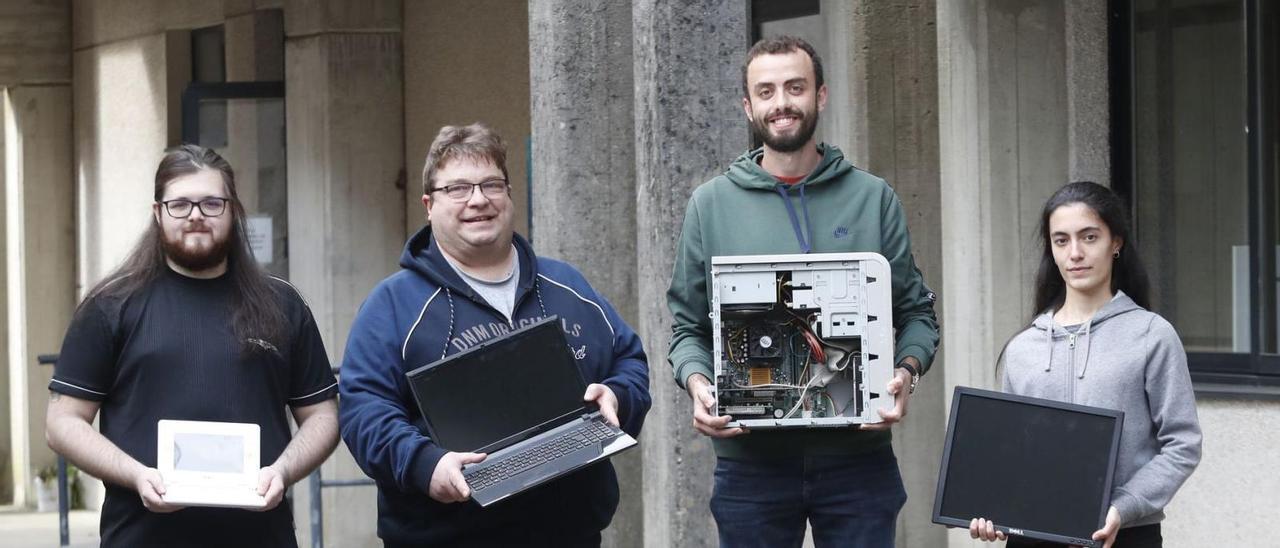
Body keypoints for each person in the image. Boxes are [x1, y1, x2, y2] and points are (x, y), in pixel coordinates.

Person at [666, 35, 940, 547]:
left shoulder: (872, 197)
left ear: (821, 95)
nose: (782, 102)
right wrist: (698, 384)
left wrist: (905, 374)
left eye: (796, 87)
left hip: (858, 459)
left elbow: (918, 315)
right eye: (766, 91)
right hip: (752, 466)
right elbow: (686, 327)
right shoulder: (710, 204)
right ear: (748, 107)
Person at [338, 123, 651, 547]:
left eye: (491, 184)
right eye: (458, 189)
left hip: (570, 534)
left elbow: (628, 359)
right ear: (428, 205)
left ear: (509, 195)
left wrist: (617, 396)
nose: (478, 200)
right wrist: (425, 464)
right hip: (447, 535)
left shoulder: (566, 284)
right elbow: (364, 412)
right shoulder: (393, 306)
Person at [45, 144, 340, 547]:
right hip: (140, 536)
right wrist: (135, 474)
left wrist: (283, 471)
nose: (196, 215)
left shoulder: (283, 304)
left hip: (258, 536)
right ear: (157, 213)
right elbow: (62, 423)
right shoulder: (110, 305)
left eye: (211, 203)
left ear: (233, 211)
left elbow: (323, 417)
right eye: (180, 204)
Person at [969, 181, 1202, 548]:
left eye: (1089, 237)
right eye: (1061, 240)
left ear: (1116, 243)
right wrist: (993, 507)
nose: (1075, 253)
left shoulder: (1151, 335)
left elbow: (1182, 444)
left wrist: (1123, 507)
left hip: (1123, 535)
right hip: (1032, 536)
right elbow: (1010, 452)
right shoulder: (1023, 347)